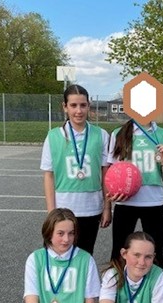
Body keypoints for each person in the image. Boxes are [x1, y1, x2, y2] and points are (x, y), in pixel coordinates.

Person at [41, 84, 111, 254]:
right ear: (65, 107)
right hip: (64, 208)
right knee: (62, 255)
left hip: (91, 207)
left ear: (89, 106)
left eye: (83, 105)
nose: (78, 111)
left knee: (85, 255)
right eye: (73, 105)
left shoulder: (101, 135)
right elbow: (49, 176)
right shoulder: (53, 136)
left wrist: (107, 207)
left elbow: (106, 174)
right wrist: (52, 213)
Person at [108, 118, 163, 269]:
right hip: (125, 202)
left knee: (155, 252)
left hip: (153, 203)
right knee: (119, 251)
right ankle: (116, 288)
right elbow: (112, 173)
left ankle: (156, 290)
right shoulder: (118, 134)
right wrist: (113, 195)